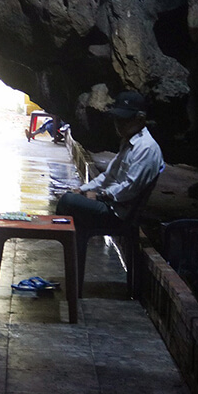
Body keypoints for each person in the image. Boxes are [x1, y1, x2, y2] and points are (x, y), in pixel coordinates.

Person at [55, 91, 164, 285]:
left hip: (119, 214)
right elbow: (109, 175)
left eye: (124, 120)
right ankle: (70, 266)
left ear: (140, 119)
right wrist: (84, 189)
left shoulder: (146, 148)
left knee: (67, 202)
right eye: (117, 120)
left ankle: (63, 248)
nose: (118, 125)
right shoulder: (129, 142)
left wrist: (99, 196)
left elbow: (129, 188)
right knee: (71, 199)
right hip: (111, 205)